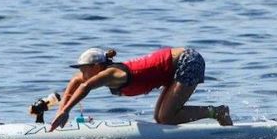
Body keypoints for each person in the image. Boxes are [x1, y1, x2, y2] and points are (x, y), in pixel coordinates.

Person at [49, 47, 232, 131]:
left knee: (166, 117)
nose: (81, 72)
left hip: (188, 60)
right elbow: (75, 82)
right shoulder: (96, 72)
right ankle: (214, 113)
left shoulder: (110, 74)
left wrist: (66, 110)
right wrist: (60, 111)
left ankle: (217, 112)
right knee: (160, 118)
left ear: (97, 67)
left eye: (83, 69)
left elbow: (85, 86)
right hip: (171, 68)